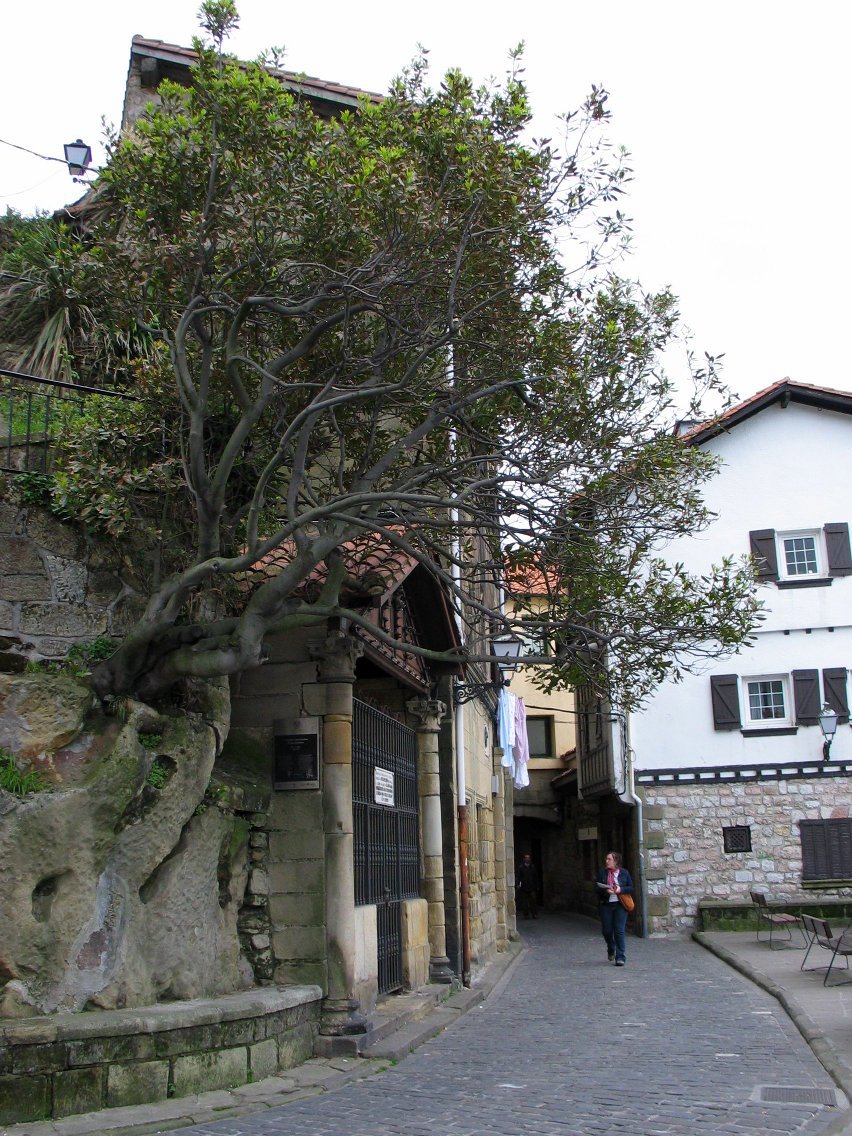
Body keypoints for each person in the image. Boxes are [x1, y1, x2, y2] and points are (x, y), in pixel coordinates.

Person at [596, 850, 633, 966]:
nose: (606, 861)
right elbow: (596, 888)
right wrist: (605, 890)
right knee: (606, 931)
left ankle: (620, 956)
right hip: (606, 905)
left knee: (619, 930)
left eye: (609, 859)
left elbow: (631, 887)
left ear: (616, 861)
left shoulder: (624, 873)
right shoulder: (602, 873)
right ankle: (611, 947)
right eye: (606, 859)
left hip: (620, 905)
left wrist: (620, 890)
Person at [516, 852, 539, 919]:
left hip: (532, 887)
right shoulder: (521, 868)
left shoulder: (532, 867)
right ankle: (526, 915)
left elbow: (535, 877)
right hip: (524, 887)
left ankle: (534, 914)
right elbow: (518, 877)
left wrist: (537, 885)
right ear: (524, 859)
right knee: (525, 902)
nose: (527, 859)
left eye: (528, 858)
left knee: (533, 901)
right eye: (526, 858)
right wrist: (518, 884)